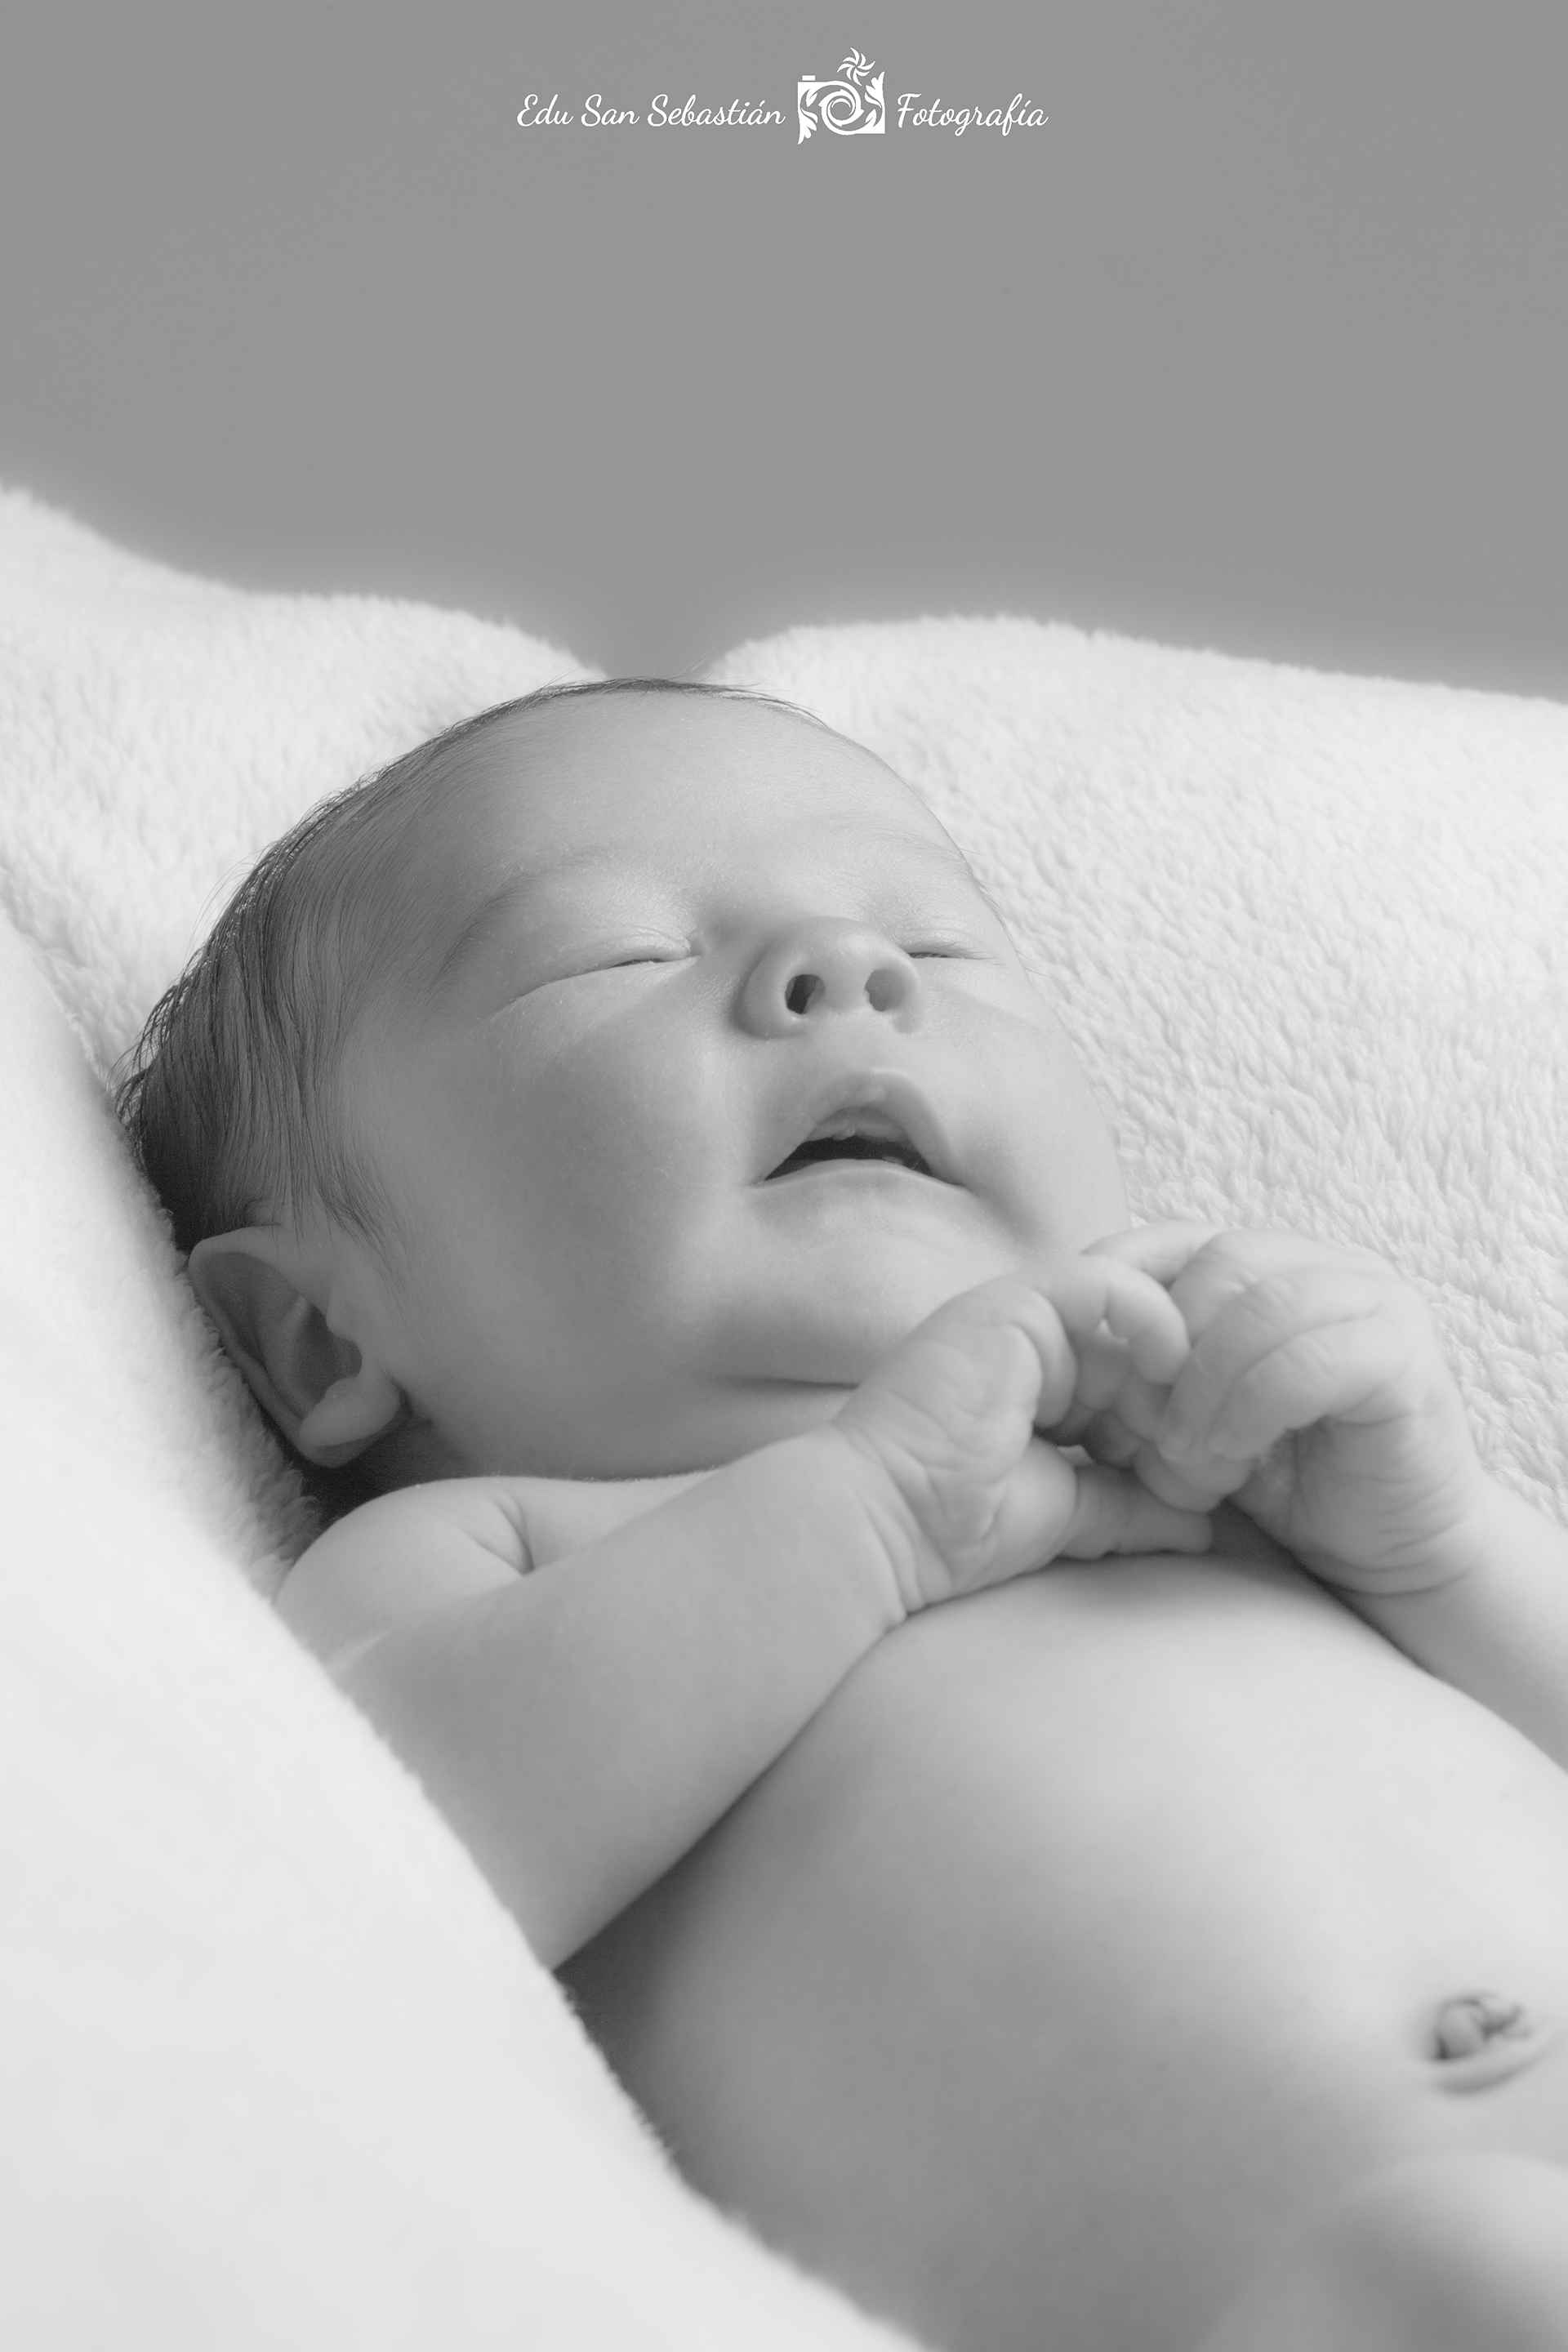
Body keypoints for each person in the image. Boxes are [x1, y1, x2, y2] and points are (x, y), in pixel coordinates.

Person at [115, 679, 1568, 2352]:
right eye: (615, 955)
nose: (845, 970)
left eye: (933, 944)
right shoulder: (507, 1554)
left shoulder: (1240, 1470)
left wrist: (1445, 1541)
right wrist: (872, 1515)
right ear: (324, 1336)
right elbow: (359, 1875)